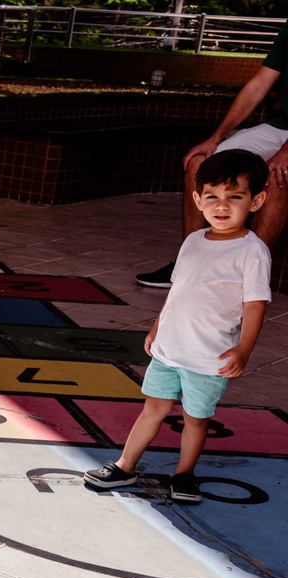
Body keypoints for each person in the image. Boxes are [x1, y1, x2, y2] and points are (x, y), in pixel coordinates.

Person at [85, 149, 272, 503]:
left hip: (209, 357)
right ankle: (125, 465)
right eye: (213, 196)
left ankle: (184, 474)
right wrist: (157, 328)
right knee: (152, 409)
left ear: (257, 200)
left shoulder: (252, 251)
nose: (222, 206)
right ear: (198, 199)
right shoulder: (192, 242)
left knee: (195, 419)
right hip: (170, 349)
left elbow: (255, 304)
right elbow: (177, 291)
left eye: (235, 197)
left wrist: (244, 349)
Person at [136, 20, 288, 288]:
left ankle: (247, 275)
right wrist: (216, 138)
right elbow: (257, 85)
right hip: (278, 127)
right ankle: (190, 264)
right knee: (201, 164)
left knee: (277, 178)